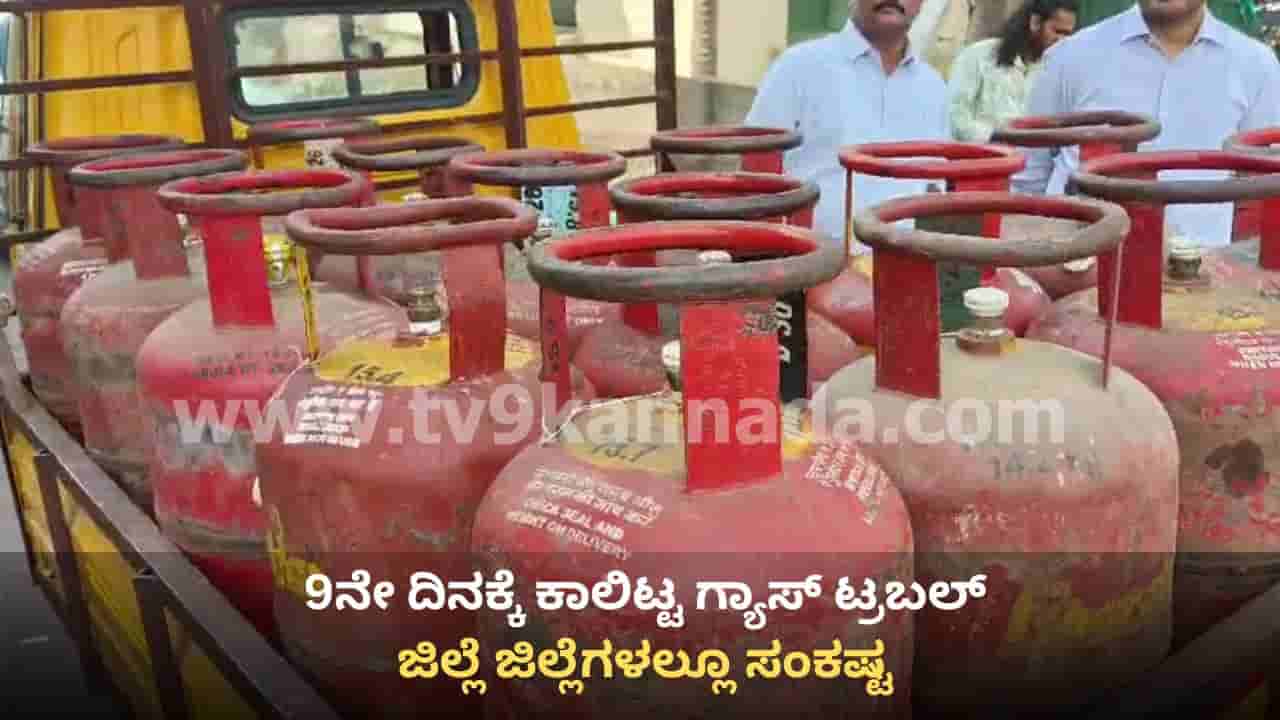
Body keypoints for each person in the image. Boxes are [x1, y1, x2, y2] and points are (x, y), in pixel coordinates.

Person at [1015, 0, 1280, 248]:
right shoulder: (1071, 56)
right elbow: (1027, 179)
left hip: (1200, 268)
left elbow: (1261, 190)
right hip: (1079, 261)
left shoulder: (1256, 67)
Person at [743, 0, 950, 252]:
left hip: (905, 260)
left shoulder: (933, 86)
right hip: (813, 260)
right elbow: (755, 170)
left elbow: (934, 187)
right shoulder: (798, 66)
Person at [947, 0, 1078, 142]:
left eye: (1068, 34)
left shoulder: (1055, 74)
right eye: (1057, 31)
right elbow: (954, 117)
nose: (1062, 40)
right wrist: (998, 136)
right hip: (978, 153)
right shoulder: (979, 55)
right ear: (1035, 23)